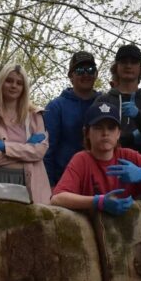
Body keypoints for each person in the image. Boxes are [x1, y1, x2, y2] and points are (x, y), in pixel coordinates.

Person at [50, 96, 141, 214]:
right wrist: (97, 202)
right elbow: (57, 198)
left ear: (118, 133)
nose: (105, 133)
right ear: (87, 133)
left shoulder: (129, 156)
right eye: (98, 127)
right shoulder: (81, 159)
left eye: (111, 128)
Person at [0, 62, 51, 204]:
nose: (14, 86)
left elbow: (40, 152)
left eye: (19, 83)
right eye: (9, 81)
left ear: (24, 88)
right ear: (1, 82)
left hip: (31, 182)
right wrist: (27, 149)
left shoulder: (35, 115)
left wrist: (5, 147)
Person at [97, 44, 141, 161]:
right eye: (123, 62)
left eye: (133, 62)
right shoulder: (104, 101)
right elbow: (95, 138)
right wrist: (132, 138)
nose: (128, 65)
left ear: (140, 68)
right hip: (108, 168)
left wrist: (139, 116)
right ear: (116, 67)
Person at [43, 51, 99, 186]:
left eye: (90, 70)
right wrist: (49, 185)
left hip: (98, 183)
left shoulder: (104, 103)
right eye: (80, 70)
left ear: (96, 74)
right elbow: (47, 151)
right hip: (63, 182)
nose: (86, 74)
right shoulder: (55, 107)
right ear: (71, 76)